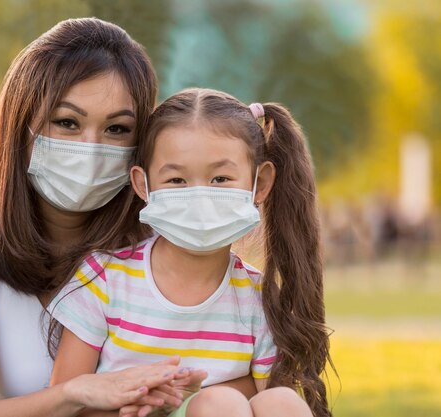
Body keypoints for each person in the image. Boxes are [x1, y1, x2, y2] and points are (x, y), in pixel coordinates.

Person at [0, 18, 217, 417]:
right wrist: (76, 393)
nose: (92, 148)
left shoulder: (165, 234)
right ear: (21, 123)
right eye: (67, 122)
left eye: (117, 129)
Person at [49, 88, 334, 417]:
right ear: (143, 185)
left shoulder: (259, 298)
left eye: (220, 178)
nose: (199, 195)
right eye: (177, 180)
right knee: (220, 403)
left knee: (279, 401)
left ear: (261, 183)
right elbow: (64, 402)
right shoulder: (105, 279)